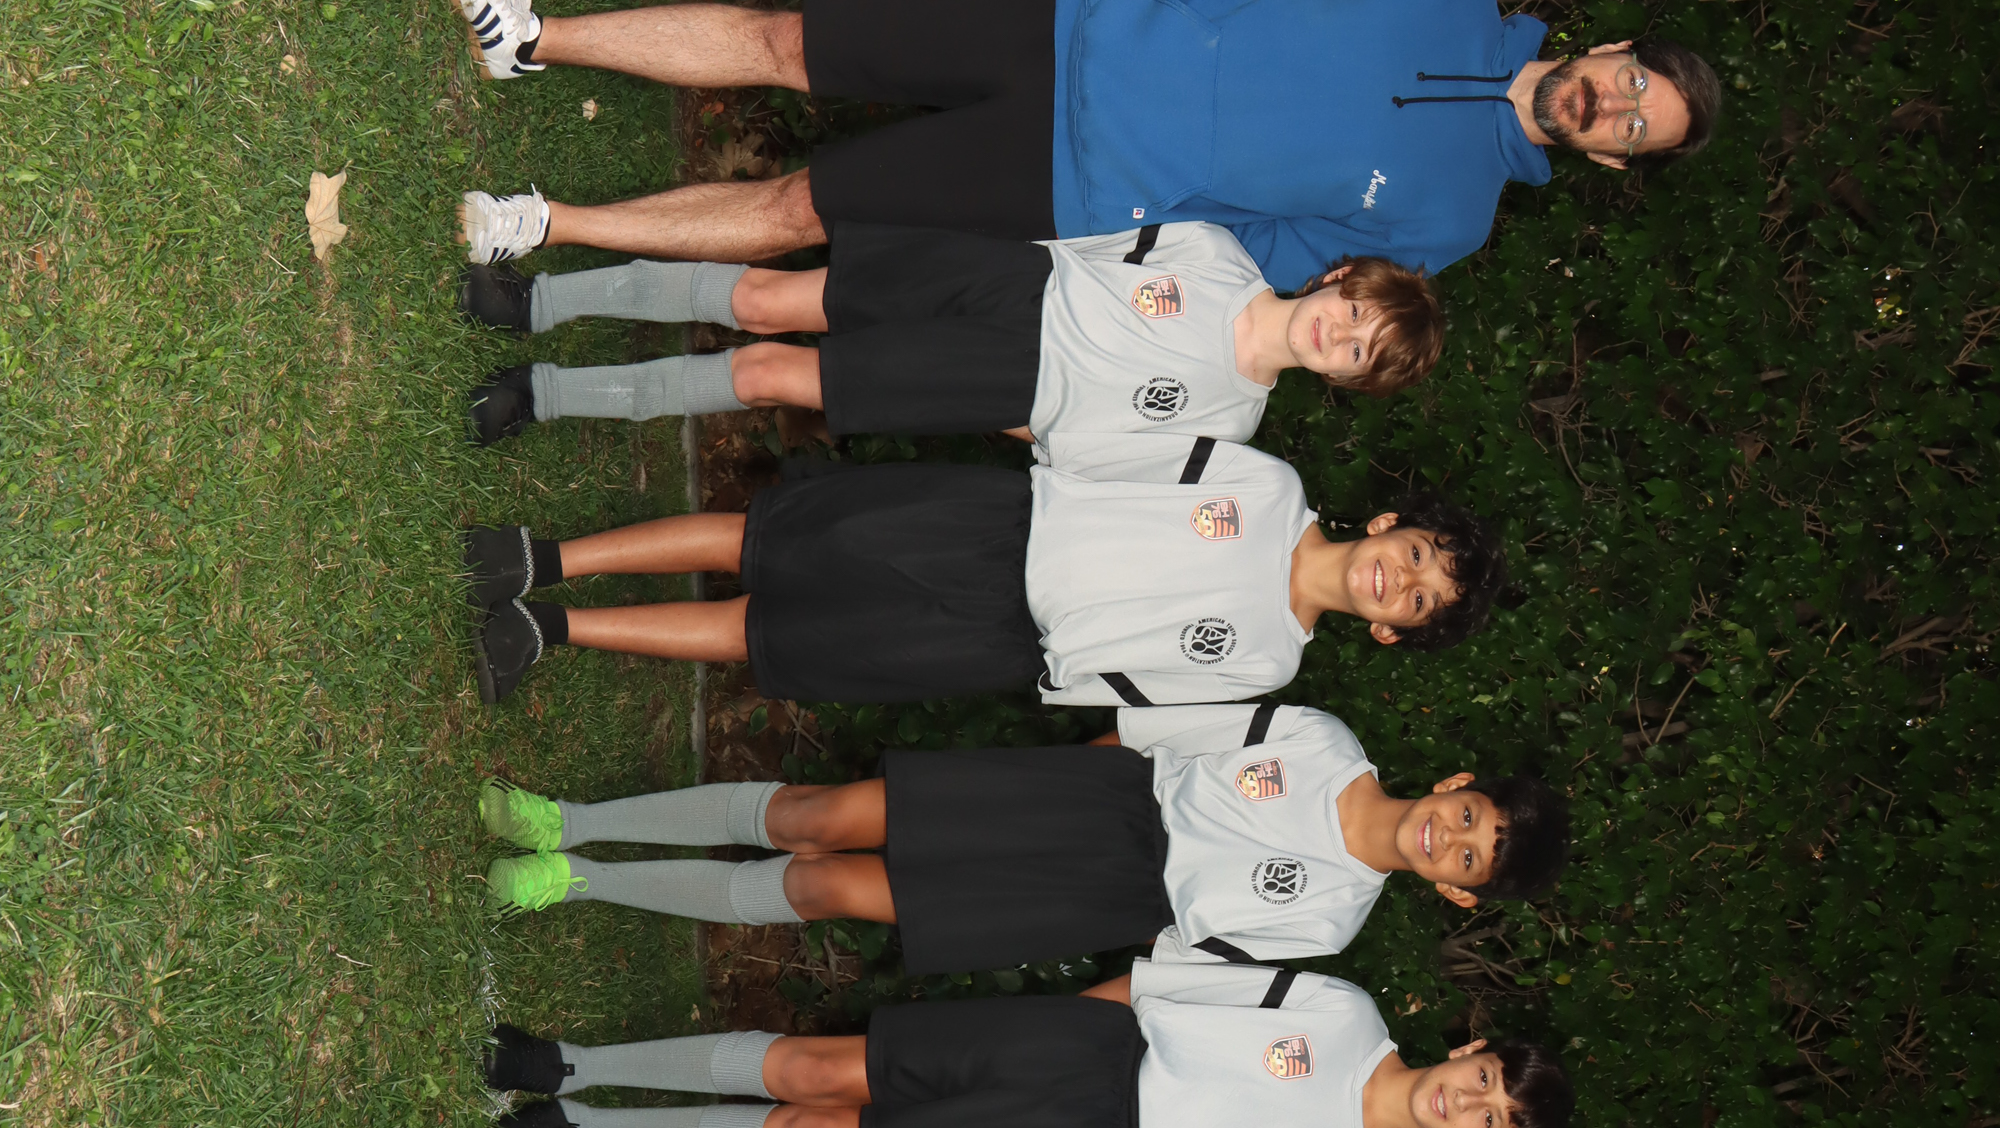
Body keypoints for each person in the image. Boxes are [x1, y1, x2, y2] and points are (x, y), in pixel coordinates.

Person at [443, 0, 1718, 285]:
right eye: (1630, 83)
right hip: (1070, 25)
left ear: (1611, 162)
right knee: (790, 42)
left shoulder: (1452, 223)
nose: (1607, 105)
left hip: (1070, 180)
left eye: (1630, 127)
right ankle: (530, 37)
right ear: (1610, 47)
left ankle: (543, 223)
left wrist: (1156, 180)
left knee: (800, 211)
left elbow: (1268, 256)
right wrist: (1181, 35)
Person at [471, 706, 1570, 968]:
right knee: (820, 814)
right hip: (1094, 799)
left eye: (1468, 860)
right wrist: (1057, 782)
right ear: (1456, 785)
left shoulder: (1328, 923)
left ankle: (572, 883)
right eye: (1468, 817)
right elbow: (1163, 727)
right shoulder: (1323, 740)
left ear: (1456, 892)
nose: (1450, 837)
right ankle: (571, 822)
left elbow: (1184, 964)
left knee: (826, 888)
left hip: (1099, 899)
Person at [479, 958, 1574, 1128]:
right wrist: (1067, 1026)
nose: (1467, 1101)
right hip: (1082, 1051)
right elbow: (1180, 980)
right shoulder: (1341, 1011)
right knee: (818, 1068)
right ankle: (574, 1063)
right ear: (1470, 1047)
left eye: (1490, 1119)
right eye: (1483, 1078)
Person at [461, 450, 1503, 709]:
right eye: (1414, 555)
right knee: (764, 541)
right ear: (1390, 525)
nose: (1396, 580)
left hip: (1002, 641)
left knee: (765, 634)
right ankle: (540, 558)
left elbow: (1137, 697)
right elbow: (1121, 452)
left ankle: (552, 631)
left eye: (1416, 603)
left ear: (1390, 632)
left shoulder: (1270, 665)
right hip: (998, 523)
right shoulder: (1269, 486)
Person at [456, 222, 1443, 444]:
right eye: (1356, 312)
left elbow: (1081, 451)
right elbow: (1087, 246)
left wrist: (990, 407)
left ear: (1345, 381)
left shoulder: (1229, 427)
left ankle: (543, 396)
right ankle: (538, 301)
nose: (1339, 335)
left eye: (1359, 355)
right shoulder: (1215, 253)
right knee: (761, 300)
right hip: (1004, 284)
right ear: (1339, 278)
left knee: (761, 375)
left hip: (1001, 383)